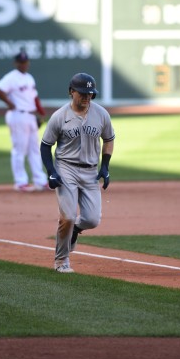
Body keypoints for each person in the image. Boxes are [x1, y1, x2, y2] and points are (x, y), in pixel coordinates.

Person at [40, 72, 115, 273]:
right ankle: (61, 261)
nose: (86, 97)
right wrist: (51, 171)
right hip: (66, 169)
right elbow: (46, 145)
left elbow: (109, 139)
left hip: (90, 171)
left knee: (92, 220)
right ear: (71, 92)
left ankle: (75, 230)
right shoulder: (59, 116)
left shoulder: (101, 114)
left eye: (90, 93)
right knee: (67, 217)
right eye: (82, 93)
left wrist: (105, 166)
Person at [0, 51, 48, 192]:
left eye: (25, 62)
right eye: (21, 62)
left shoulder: (29, 77)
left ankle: (40, 181)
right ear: (16, 63)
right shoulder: (11, 77)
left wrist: (40, 112)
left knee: (34, 149)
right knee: (20, 149)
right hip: (18, 115)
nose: (24, 64)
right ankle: (20, 182)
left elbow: (34, 98)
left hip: (30, 115)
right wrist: (9, 103)